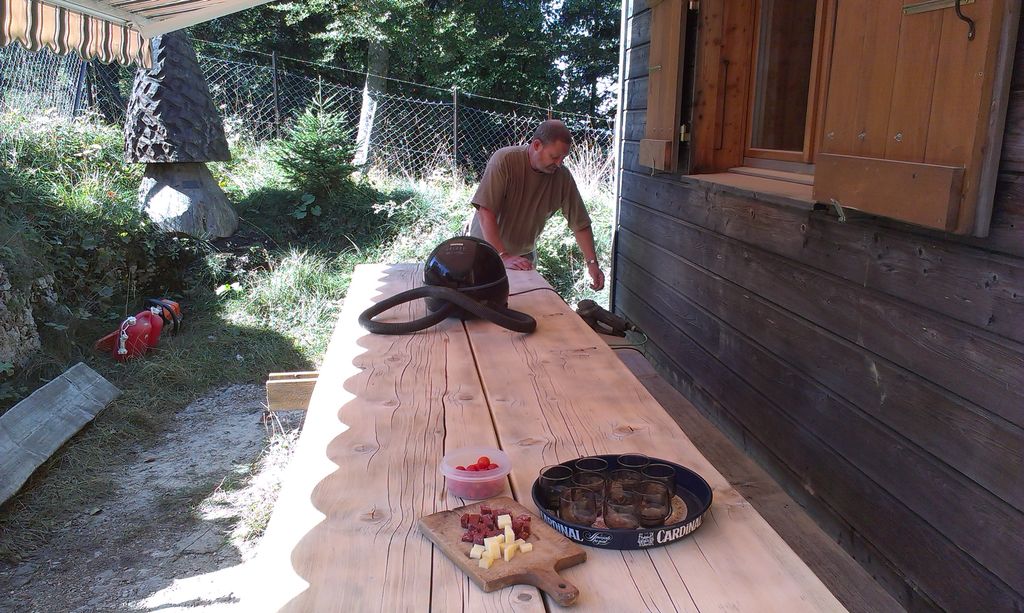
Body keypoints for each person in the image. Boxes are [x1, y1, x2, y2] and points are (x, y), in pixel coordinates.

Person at [467, 119, 605, 291]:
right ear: (537, 145)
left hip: (523, 258)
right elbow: (486, 211)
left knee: (525, 303)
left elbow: (580, 224)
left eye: (563, 158)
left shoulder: (562, 177)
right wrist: (503, 255)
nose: (559, 164)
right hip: (485, 252)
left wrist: (592, 263)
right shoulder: (505, 160)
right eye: (554, 157)